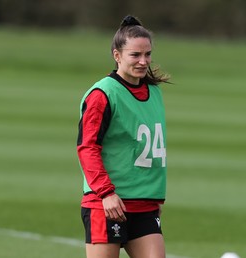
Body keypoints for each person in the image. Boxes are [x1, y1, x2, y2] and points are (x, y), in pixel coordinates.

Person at [77, 15, 170, 258]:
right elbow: (88, 147)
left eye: (147, 54)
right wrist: (106, 193)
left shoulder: (153, 92)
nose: (143, 61)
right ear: (117, 55)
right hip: (106, 204)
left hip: (144, 205)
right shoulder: (102, 95)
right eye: (135, 55)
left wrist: (154, 196)